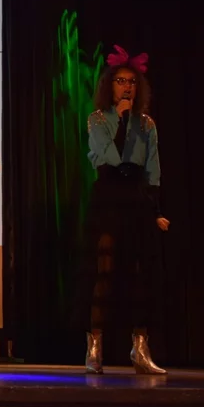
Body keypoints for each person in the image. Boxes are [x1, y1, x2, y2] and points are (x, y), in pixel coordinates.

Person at [81, 45, 168, 375]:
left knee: (139, 274)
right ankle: (95, 347)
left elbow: (153, 170)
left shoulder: (147, 124)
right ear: (110, 85)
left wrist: (155, 210)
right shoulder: (98, 119)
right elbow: (110, 157)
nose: (127, 87)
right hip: (108, 194)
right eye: (120, 81)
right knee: (104, 271)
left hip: (136, 198)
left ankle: (140, 348)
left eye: (131, 81)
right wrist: (122, 119)